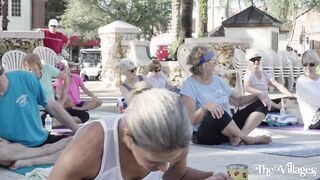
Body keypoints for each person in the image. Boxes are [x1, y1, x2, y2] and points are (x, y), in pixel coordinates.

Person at [49, 84, 230, 180]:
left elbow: (176, 175)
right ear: (129, 137)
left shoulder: (176, 139)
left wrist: (210, 176)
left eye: (169, 159)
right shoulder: (88, 150)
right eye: (154, 161)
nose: (164, 167)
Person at [180, 46, 272, 146]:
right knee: (216, 110)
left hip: (228, 129)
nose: (216, 63)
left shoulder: (218, 80)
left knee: (264, 102)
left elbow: (238, 101)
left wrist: (258, 94)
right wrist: (205, 108)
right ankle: (247, 139)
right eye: (213, 60)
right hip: (206, 133)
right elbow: (191, 120)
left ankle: (238, 138)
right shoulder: (189, 85)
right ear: (204, 64)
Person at [0, 64, 79, 168]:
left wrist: (79, 131)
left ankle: (35, 160)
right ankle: (47, 152)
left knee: (82, 146)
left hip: (39, 140)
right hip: (11, 147)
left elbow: (53, 107)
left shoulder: (25, 78)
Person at [22, 53, 89, 125]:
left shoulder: (47, 69)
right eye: (29, 69)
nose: (32, 72)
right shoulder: (24, 78)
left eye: (34, 69)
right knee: (39, 119)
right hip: (39, 111)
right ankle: (62, 122)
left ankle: (56, 122)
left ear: (39, 66)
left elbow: (66, 78)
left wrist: (62, 99)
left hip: (53, 108)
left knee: (84, 116)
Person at [296, 50, 320, 130]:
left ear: (316, 65)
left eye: (311, 64)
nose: (308, 67)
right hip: (313, 121)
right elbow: (318, 99)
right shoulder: (301, 82)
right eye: (305, 64)